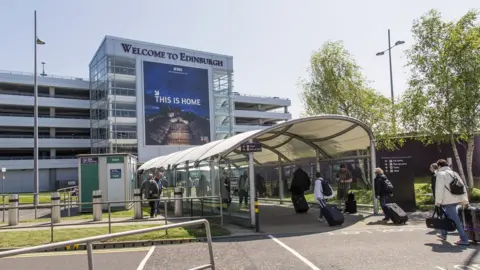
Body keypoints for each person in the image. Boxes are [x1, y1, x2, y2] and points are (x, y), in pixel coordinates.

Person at [434, 159, 469, 245]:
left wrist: (438, 201)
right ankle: (443, 234)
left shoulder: (440, 174)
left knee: (455, 220)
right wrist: (465, 199)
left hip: (447, 200)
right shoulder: (454, 173)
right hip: (457, 198)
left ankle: (464, 239)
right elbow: (462, 186)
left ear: (439, 166)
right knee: (444, 216)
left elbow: (439, 189)